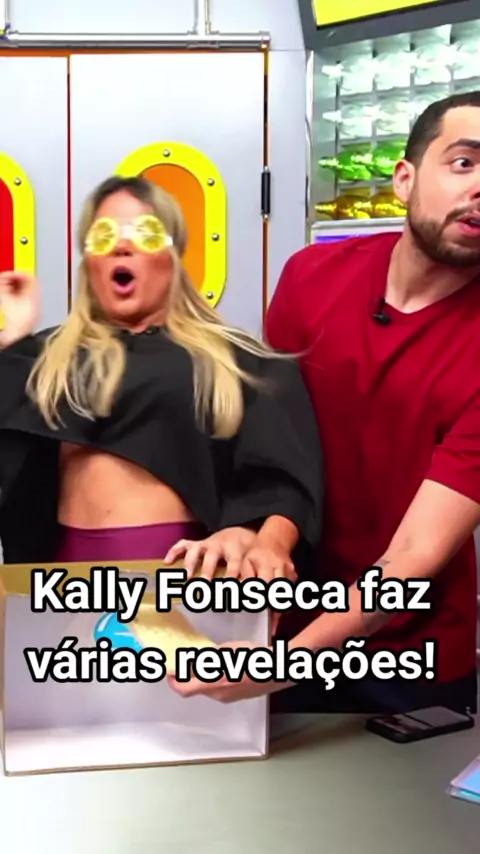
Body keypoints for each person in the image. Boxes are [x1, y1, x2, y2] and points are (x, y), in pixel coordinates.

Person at [170, 91, 480, 715]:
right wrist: (249, 533)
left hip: (409, 657)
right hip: (281, 618)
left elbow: (415, 555)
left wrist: (283, 666)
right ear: (404, 178)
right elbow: (268, 448)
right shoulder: (310, 276)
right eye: (464, 163)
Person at [0, 176, 323, 593]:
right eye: (104, 235)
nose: (122, 246)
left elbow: (286, 481)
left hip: (186, 580)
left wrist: (263, 541)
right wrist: (11, 341)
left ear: (173, 255)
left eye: (145, 233)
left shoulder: (240, 362)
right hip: (63, 588)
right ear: (88, 262)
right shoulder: (45, 360)